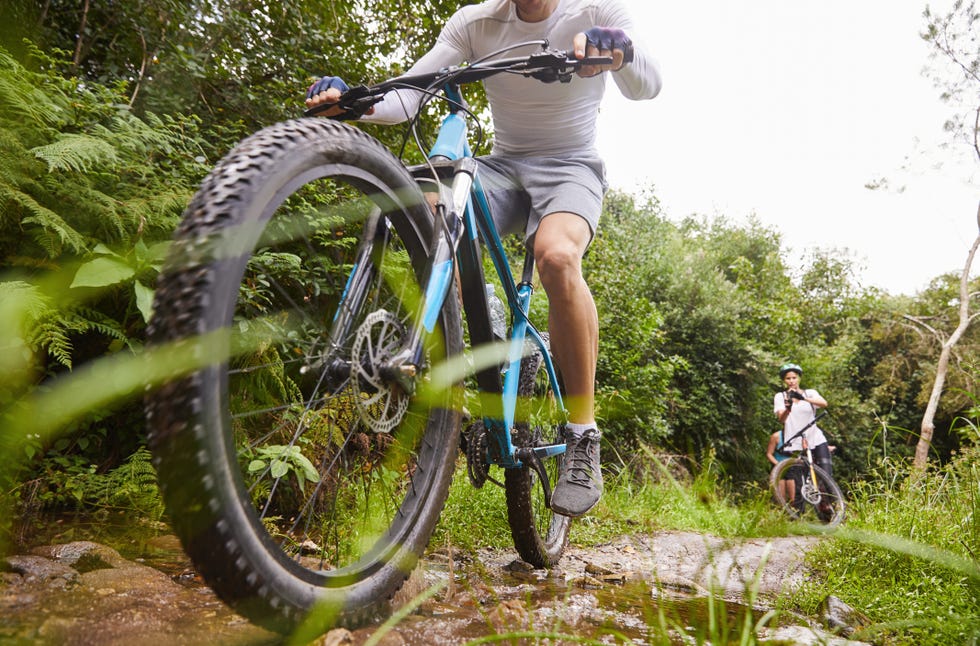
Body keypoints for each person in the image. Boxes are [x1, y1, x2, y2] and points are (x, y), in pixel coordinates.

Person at [305, 0, 662, 517]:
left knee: (557, 258)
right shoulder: (477, 21)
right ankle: (476, 320)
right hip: (503, 168)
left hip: (571, 168)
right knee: (426, 206)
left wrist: (620, 50)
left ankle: (582, 435)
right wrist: (353, 102)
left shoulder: (594, 10)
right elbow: (410, 93)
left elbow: (647, 82)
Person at [773, 363, 832, 477]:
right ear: (784, 380)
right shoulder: (780, 396)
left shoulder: (810, 393)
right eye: (788, 378)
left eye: (794, 378)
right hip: (795, 440)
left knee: (826, 472)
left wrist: (803, 398)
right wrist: (788, 409)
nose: (791, 381)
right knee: (800, 476)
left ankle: (829, 493)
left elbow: (824, 403)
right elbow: (781, 419)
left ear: (799, 378)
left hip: (815, 437)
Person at [765, 429, 796, 505]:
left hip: (790, 466)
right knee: (781, 499)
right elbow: (769, 454)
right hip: (778, 466)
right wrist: (778, 464)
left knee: (793, 499)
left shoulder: (796, 436)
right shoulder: (776, 436)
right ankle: (782, 512)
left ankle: (793, 513)